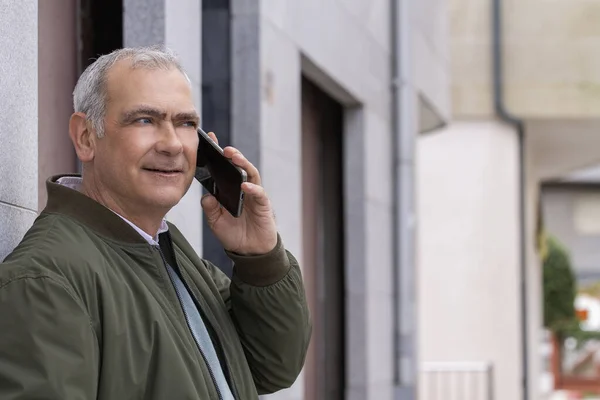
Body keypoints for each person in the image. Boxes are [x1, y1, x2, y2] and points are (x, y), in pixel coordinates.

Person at [0, 46, 311, 399]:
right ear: (86, 137)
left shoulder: (169, 253)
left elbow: (272, 366)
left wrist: (260, 260)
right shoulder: (46, 281)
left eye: (186, 123)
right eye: (145, 120)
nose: (172, 144)